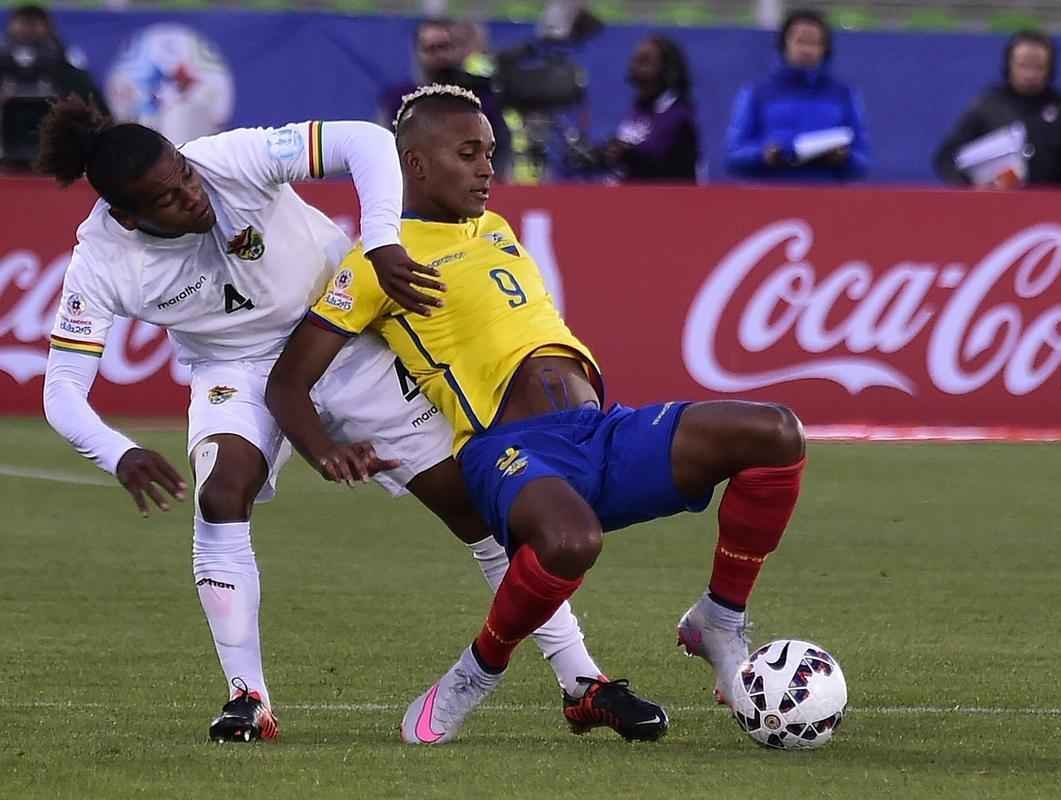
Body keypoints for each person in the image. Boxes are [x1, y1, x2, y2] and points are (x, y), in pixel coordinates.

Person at [35, 95, 615, 744]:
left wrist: (384, 240)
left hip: (342, 336)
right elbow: (61, 390)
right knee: (221, 492)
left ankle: (581, 681)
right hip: (236, 369)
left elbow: (365, 142)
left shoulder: (227, 160)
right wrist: (118, 453)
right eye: (166, 198)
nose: (193, 197)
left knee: (473, 506)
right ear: (127, 214)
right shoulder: (100, 262)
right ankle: (246, 698)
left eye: (186, 176)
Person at [266, 84, 807, 745]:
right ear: (415, 164)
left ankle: (717, 621)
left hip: (598, 430)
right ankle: (474, 674)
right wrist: (323, 449)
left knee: (775, 432)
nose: (486, 168)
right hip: (508, 449)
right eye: (468, 154)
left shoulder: (494, 228)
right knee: (571, 541)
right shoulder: (381, 262)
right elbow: (289, 381)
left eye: (490, 153)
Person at [724, 8, 869, 182]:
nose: (806, 50)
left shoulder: (843, 95)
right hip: (771, 197)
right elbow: (733, 156)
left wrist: (844, 157)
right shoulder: (757, 93)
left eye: (814, 42)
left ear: (825, 49)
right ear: (784, 45)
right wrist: (762, 154)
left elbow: (862, 161)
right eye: (800, 41)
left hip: (826, 197)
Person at [377, 17, 512, 180]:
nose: (439, 56)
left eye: (444, 47)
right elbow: (383, 150)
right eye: (431, 49)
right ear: (418, 53)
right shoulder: (398, 99)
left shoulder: (483, 96)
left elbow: (502, 147)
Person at [933, 30, 1061, 187]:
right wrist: (969, 188)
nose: (1030, 74)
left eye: (1038, 67)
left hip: (1049, 205)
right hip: (996, 204)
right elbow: (947, 158)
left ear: (1050, 69)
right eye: (1023, 65)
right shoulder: (988, 107)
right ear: (1009, 65)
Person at [0, 4, 107, 167]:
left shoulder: (68, 72)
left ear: (48, 30)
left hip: (58, 157)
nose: (27, 31)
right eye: (23, 24)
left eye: (33, 24)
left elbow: (98, 114)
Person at [595, 35, 698, 183]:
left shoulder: (678, 114)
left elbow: (654, 155)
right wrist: (599, 153)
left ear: (667, 70)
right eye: (634, 61)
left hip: (665, 199)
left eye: (644, 61)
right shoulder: (639, 109)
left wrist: (621, 151)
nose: (634, 67)